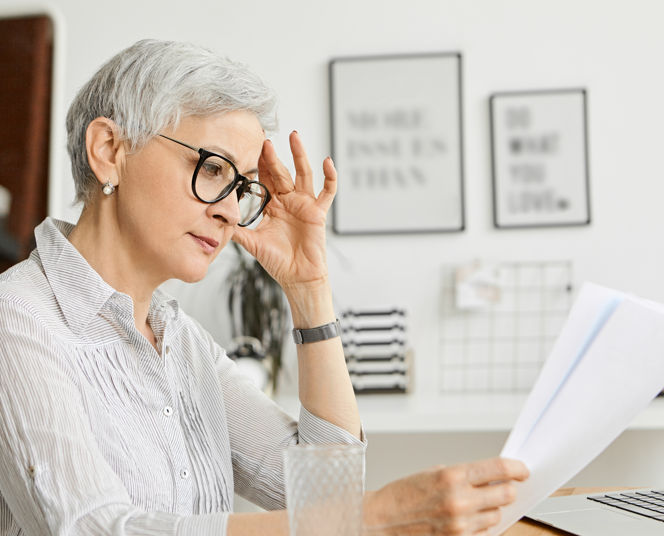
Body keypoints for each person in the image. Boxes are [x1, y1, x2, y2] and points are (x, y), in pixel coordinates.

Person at [0, 39, 529, 535]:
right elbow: (95, 527)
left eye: (242, 186)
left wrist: (308, 288)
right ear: (109, 149)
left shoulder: (180, 341)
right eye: (211, 168)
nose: (231, 211)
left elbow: (330, 497)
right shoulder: (17, 318)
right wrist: (376, 519)